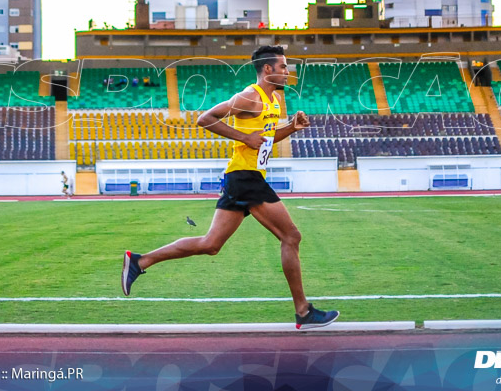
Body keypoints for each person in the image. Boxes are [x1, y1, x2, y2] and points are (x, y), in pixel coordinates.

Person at [120, 45, 339, 329]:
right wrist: (243, 138)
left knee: (211, 244)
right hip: (245, 178)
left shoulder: (272, 102)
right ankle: (303, 312)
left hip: (244, 177)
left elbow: (264, 139)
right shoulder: (250, 97)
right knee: (291, 237)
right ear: (268, 69)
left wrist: (292, 128)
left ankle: (140, 261)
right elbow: (205, 119)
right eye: (284, 67)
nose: (288, 72)